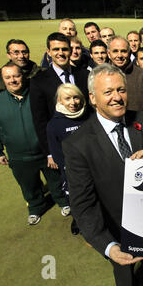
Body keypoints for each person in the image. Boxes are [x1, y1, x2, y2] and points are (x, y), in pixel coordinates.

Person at [62, 63, 143, 286]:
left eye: (121, 90)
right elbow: (82, 203)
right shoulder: (77, 144)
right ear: (92, 98)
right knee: (126, 281)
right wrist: (107, 245)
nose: (117, 97)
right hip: (116, 232)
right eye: (108, 92)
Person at [0, 62, 69, 225]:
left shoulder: (37, 95)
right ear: (2, 80)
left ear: (23, 76)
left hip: (45, 151)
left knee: (55, 181)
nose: (13, 80)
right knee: (29, 185)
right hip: (19, 156)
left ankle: (63, 202)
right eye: (7, 77)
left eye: (16, 76)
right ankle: (35, 208)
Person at [30, 32, 90, 164]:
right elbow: (40, 120)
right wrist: (49, 152)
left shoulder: (85, 74)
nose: (61, 53)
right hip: (61, 145)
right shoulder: (38, 81)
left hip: (87, 141)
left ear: (70, 50)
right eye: (56, 49)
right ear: (48, 52)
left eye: (64, 49)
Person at [46, 83, 89, 235]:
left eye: (76, 97)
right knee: (75, 199)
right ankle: (77, 220)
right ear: (60, 101)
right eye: (68, 98)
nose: (73, 102)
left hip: (92, 166)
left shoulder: (89, 115)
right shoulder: (54, 124)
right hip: (71, 171)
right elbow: (57, 153)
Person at [0, 39, 42, 106]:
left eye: (24, 52)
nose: (21, 56)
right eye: (16, 53)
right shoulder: (0, 75)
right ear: (8, 55)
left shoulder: (41, 72)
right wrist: (7, 83)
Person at [107, 35, 143, 119]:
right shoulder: (100, 75)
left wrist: (140, 126)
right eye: (115, 51)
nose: (119, 55)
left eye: (123, 51)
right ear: (109, 54)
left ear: (129, 53)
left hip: (138, 127)